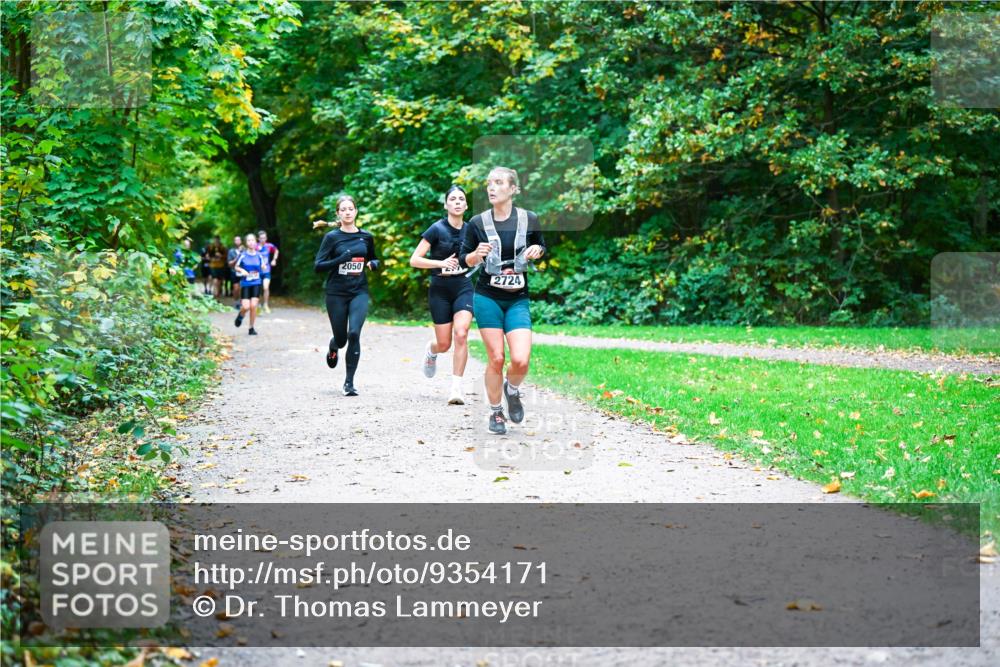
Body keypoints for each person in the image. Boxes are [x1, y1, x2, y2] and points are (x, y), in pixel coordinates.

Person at [459, 167, 545, 434]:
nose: (491, 188)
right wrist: (476, 254)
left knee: (520, 360)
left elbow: (542, 247)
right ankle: (496, 413)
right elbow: (464, 259)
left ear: (513, 189)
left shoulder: (529, 219)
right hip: (487, 296)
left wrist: (537, 250)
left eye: (498, 183)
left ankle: (513, 389)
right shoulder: (476, 223)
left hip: (518, 299)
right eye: (489, 183)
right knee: (496, 358)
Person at [409, 185, 473, 405]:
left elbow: (476, 256)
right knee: (444, 344)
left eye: (461, 199)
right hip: (440, 289)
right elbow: (414, 259)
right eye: (452, 199)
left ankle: (456, 388)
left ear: (466, 205)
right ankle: (432, 349)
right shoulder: (436, 229)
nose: (456, 202)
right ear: (446, 204)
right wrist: (440, 263)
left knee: (462, 333)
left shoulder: (472, 230)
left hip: (463, 286)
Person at [314, 195, 380, 396]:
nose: (347, 212)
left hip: (359, 291)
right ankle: (334, 346)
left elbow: (373, 258)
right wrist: (340, 259)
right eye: (343, 209)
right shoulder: (332, 238)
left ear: (356, 211)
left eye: (350, 208)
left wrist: (374, 264)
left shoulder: (366, 237)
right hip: (336, 293)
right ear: (338, 214)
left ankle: (349, 383)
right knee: (342, 339)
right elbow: (318, 266)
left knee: (354, 333)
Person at [233, 233, 266, 336]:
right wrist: (242, 270)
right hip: (246, 283)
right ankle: (241, 315)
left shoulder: (259, 255)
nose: (251, 242)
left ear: (256, 242)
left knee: (253, 306)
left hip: (256, 282)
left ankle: (251, 328)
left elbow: (262, 265)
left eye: (253, 240)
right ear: (246, 243)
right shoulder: (243, 255)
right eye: (249, 240)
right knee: (246, 307)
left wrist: (263, 266)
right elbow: (236, 267)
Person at [257, 229, 279, 314]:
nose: (263, 239)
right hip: (257, 271)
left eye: (264, 238)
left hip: (266, 270)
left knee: (265, 287)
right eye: (261, 238)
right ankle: (258, 305)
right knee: (258, 288)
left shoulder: (269, 246)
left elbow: (276, 251)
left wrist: (274, 260)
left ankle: (265, 304)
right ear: (258, 239)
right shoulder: (255, 246)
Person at [226, 235, 243, 308]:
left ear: (241, 241)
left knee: (242, 287)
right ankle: (236, 301)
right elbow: (229, 263)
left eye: (239, 240)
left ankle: (241, 302)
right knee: (236, 288)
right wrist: (237, 257)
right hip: (234, 272)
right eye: (236, 240)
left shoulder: (245, 250)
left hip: (243, 272)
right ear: (234, 241)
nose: (237, 241)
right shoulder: (231, 251)